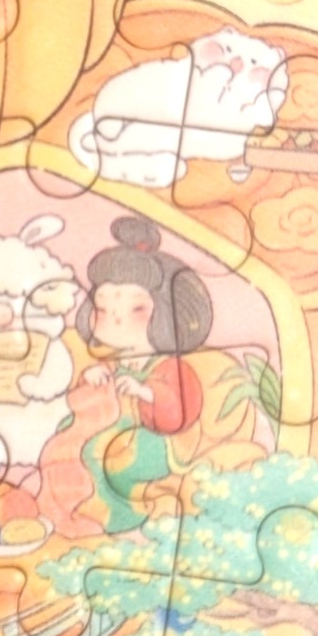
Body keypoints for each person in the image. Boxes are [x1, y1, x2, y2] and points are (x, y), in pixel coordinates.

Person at [46, 217, 212, 536]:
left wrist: (146, 392)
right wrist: (92, 377)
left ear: (167, 313)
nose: (115, 321)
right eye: (103, 309)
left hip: (159, 440)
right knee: (68, 438)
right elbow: (95, 399)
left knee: (108, 458)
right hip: (114, 429)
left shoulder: (170, 366)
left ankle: (123, 518)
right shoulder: (116, 360)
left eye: (136, 310)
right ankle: (72, 507)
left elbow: (182, 410)